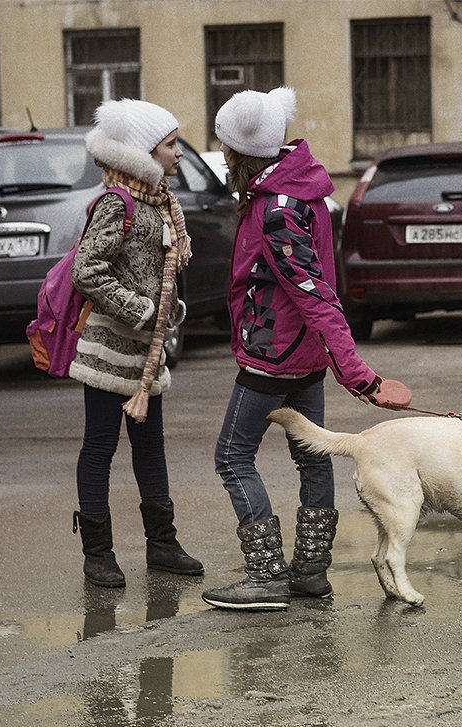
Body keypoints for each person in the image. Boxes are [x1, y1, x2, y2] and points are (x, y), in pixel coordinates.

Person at [201, 87, 408, 612]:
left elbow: (314, 292)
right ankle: (311, 573)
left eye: (225, 147)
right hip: (303, 352)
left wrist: (359, 375)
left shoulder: (277, 208)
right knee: (312, 456)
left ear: (240, 151)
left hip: (274, 355)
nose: (222, 156)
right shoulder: (300, 188)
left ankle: (267, 575)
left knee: (232, 455)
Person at [70, 98, 203, 588]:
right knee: (100, 447)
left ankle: (162, 546)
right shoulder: (117, 203)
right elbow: (88, 270)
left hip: (148, 354)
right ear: (145, 153)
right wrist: (143, 311)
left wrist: (170, 315)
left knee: (151, 449)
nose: (179, 154)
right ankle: (98, 554)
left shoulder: (161, 202)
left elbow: (157, 275)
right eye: (170, 146)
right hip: (109, 349)